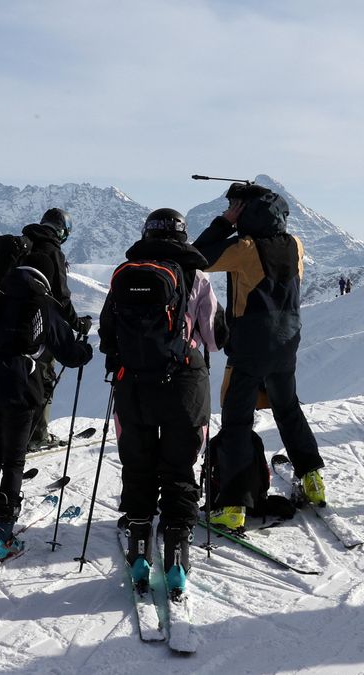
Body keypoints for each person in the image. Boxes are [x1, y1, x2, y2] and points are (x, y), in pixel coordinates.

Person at [99, 208, 220, 598]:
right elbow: (215, 335)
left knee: (139, 462)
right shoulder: (197, 277)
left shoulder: (124, 274)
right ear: (185, 237)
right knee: (179, 467)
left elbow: (107, 334)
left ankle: (138, 541)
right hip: (184, 382)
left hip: (133, 384)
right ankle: (177, 551)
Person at [193, 184, 325, 531]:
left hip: (250, 348)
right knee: (287, 409)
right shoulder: (295, 244)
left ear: (245, 214)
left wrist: (225, 222)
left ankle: (233, 505)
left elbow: (196, 256)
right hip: (286, 344)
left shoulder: (244, 248)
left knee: (237, 422)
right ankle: (312, 479)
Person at [0, 266, 93, 558]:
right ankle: (3, 536)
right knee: (13, 459)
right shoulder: (43, 305)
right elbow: (68, 352)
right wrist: (85, 351)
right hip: (19, 387)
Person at [20, 208, 92, 449]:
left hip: (10, 323)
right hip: (41, 326)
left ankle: (0, 435)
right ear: (62, 232)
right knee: (43, 379)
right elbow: (61, 296)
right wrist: (77, 323)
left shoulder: (22, 244)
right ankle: (36, 436)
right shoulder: (52, 251)